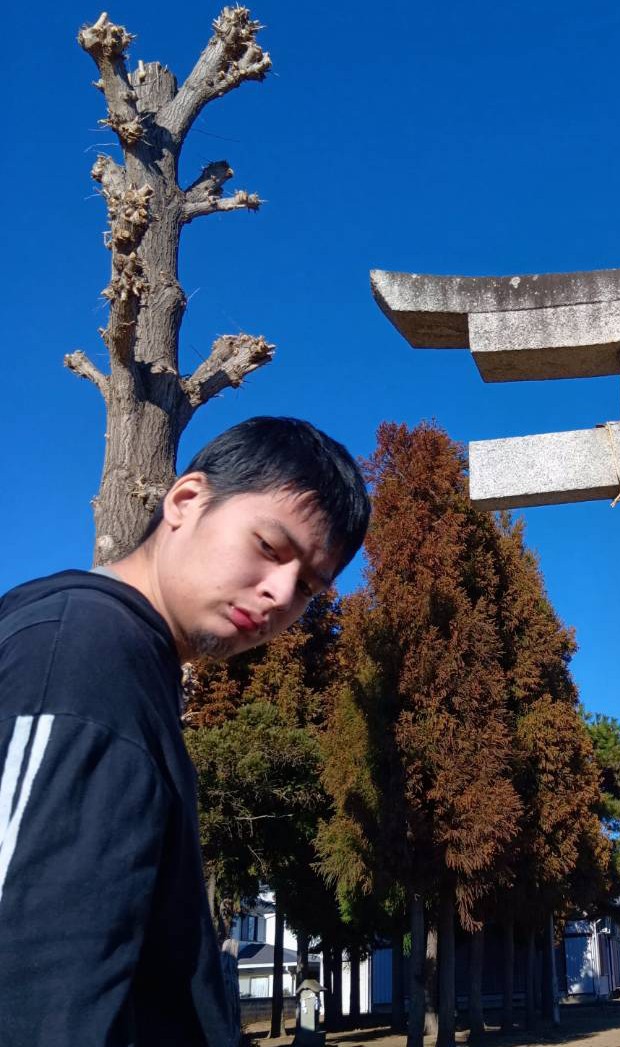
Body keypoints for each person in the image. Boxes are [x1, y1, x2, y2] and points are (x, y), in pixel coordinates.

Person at [0, 417, 369, 1046]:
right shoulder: (81, 650)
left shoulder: (133, 665)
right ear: (186, 500)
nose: (280, 594)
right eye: (269, 547)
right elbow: (28, 966)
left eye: (308, 586)